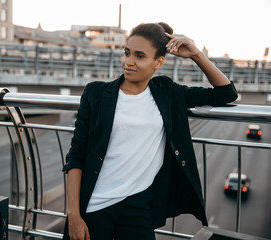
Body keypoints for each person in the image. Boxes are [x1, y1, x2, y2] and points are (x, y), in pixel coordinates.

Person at [62, 22, 238, 240]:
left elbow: (226, 94)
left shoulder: (167, 92)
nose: (129, 62)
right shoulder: (96, 94)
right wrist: (74, 215)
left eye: (139, 56)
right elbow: (77, 155)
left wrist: (196, 54)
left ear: (159, 62)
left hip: (138, 205)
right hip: (95, 205)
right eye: (127, 53)